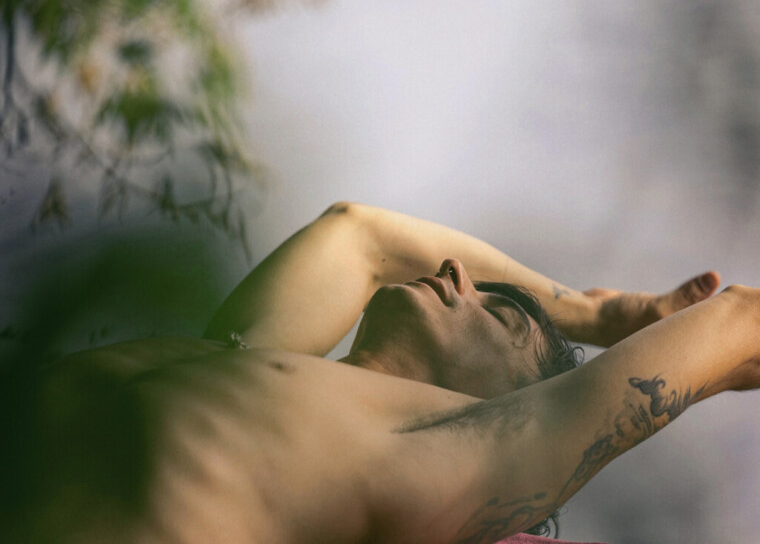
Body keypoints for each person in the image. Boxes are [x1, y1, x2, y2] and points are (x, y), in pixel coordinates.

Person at [3, 201, 759, 544]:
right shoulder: (251, 361)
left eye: (498, 314)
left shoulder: (448, 460)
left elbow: (743, 320)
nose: (456, 271)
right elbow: (361, 237)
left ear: (507, 403)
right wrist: (593, 314)